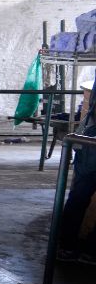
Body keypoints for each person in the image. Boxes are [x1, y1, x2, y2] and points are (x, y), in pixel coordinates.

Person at [59, 104, 96, 264]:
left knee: (78, 198)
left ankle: (70, 247)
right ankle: (83, 249)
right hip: (91, 146)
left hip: (89, 146)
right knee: (78, 198)